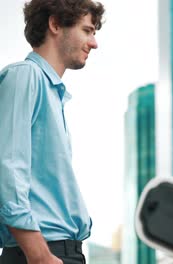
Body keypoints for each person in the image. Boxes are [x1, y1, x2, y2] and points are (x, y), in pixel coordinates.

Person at [0, 0, 104, 263]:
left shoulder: (53, 94)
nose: (94, 43)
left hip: (60, 252)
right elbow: (7, 170)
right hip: (40, 252)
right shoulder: (25, 76)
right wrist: (39, 254)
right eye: (87, 30)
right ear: (55, 24)